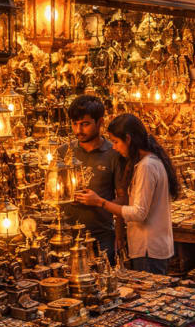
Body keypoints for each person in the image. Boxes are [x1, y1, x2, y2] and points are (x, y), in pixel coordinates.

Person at [80, 114, 179, 274]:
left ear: (128, 139)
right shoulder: (150, 162)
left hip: (149, 250)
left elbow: (139, 213)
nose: (114, 147)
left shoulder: (147, 166)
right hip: (152, 247)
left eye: (116, 142)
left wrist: (100, 202)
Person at [67, 95, 125, 264]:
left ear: (100, 123)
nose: (78, 130)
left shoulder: (114, 153)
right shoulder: (65, 152)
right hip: (68, 235)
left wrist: (119, 237)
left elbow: (122, 198)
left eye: (85, 124)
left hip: (102, 235)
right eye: (74, 124)